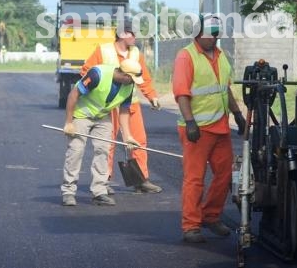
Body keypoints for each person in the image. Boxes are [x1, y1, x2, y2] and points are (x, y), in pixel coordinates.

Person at [172, 14, 246, 243]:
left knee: (225, 175)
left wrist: (237, 114)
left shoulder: (222, 56)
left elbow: (225, 90)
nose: (215, 38)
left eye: (217, 33)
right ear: (197, 33)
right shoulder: (186, 56)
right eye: (211, 34)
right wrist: (190, 121)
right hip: (197, 129)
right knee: (195, 178)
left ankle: (210, 216)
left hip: (220, 127)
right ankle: (191, 226)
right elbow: (181, 93)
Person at [80, 17, 163, 194]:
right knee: (108, 142)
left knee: (138, 141)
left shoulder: (136, 54)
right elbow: (86, 72)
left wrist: (152, 97)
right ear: (121, 34)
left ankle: (141, 180)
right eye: (132, 33)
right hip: (109, 106)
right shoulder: (103, 51)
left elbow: (144, 78)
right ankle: (104, 180)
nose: (135, 36)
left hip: (130, 104)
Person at [60, 58, 144, 207]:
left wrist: (128, 136)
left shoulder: (129, 87)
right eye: (133, 79)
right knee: (76, 151)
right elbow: (73, 94)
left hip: (102, 116)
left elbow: (124, 111)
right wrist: (69, 122)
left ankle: (99, 192)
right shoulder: (97, 74)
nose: (134, 82)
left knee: (103, 150)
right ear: (125, 75)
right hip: (81, 115)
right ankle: (68, 191)